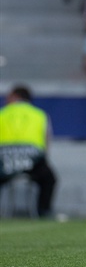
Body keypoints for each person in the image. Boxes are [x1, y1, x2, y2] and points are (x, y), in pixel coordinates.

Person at [0, 86, 57, 217]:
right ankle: (44, 211)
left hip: (4, 159)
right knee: (49, 179)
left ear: (15, 96)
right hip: (32, 159)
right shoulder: (39, 114)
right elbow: (47, 139)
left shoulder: (2, 113)